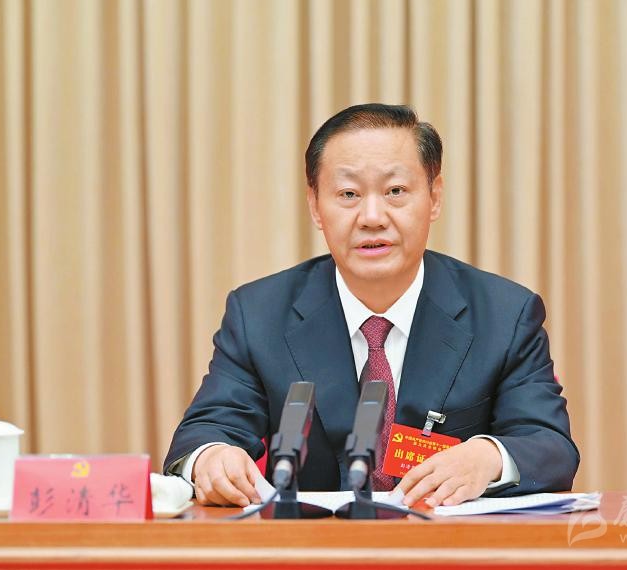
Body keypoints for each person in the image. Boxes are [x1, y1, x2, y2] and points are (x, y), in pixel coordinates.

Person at [164, 103, 579, 508]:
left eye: (395, 191)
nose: (372, 217)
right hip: (313, 545)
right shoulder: (259, 314)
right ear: (315, 206)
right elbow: (206, 431)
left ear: (434, 197)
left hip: (448, 544)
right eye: (348, 194)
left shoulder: (504, 315)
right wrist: (212, 458)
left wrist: (488, 458)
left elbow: (550, 445)